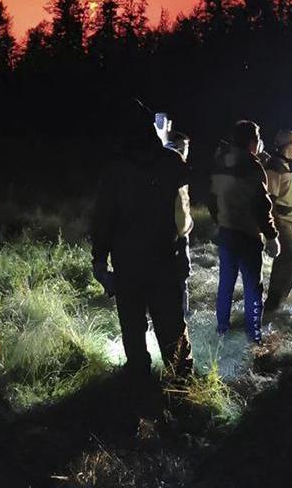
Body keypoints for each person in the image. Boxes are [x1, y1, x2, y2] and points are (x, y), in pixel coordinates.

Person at [91, 100, 194, 380]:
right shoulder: (172, 163)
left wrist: (99, 260)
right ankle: (182, 381)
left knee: (133, 326)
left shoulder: (115, 169)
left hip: (128, 262)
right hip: (164, 259)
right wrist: (183, 252)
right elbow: (183, 216)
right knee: (171, 325)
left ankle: (138, 379)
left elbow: (103, 219)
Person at [210, 120, 279, 343]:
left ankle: (222, 330)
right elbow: (261, 206)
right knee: (252, 289)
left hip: (226, 233)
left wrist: (218, 220)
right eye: (258, 139)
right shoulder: (253, 167)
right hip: (247, 236)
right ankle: (254, 337)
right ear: (252, 142)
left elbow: (211, 198)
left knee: (225, 285)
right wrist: (271, 236)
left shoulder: (221, 162)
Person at [263, 128, 292, 319]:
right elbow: (269, 199)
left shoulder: (283, 165)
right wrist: (276, 225)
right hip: (281, 224)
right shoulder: (275, 167)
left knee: (281, 264)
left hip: (288, 223)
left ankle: (271, 306)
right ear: (289, 145)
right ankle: (279, 302)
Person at [166, 130, 194, 318]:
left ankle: (182, 313)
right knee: (177, 277)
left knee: (182, 276)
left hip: (181, 233)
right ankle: (178, 316)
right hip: (172, 235)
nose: (184, 152)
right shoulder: (169, 171)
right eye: (181, 148)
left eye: (186, 148)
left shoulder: (180, 170)